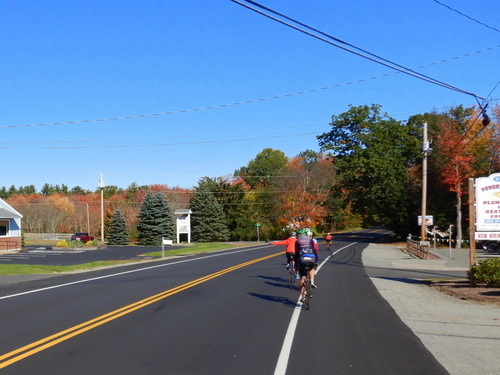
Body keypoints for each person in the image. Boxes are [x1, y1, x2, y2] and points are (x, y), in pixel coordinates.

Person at [295, 228, 318, 301]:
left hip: (302, 259)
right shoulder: (311, 240)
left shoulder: (297, 241)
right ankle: (312, 281)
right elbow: (315, 252)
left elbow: (296, 254)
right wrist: (316, 262)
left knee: (302, 278)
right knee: (312, 268)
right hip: (312, 258)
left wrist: (296, 265)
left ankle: (303, 297)